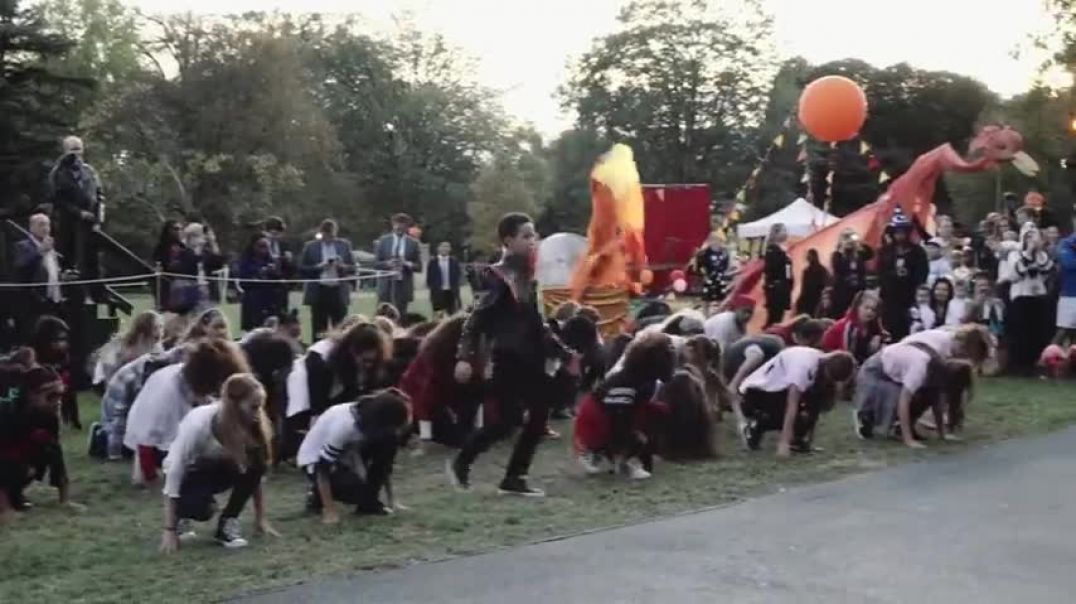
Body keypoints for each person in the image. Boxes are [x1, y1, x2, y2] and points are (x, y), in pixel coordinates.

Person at [447, 213, 578, 497]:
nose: (534, 241)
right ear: (509, 240)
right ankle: (464, 461)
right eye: (527, 236)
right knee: (505, 423)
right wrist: (465, 356)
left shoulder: (528, 279)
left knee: (537, 415)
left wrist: (564, 351)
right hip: (507, 359)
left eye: (535, 235)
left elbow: (537, 324)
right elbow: (476, 319)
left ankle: (514, 477)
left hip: (530, 358)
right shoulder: (498, 277)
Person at [159, 374, 279, 552]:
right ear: (235, 404)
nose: (257, 414)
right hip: (190, 473)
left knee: (257, 463)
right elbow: (174, 473)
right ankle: (182, 516)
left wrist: (260, 517)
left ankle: (227, 524)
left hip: (220, 470)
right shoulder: (199, 424)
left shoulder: (252, 424)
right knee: (203, 510)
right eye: (253, 407)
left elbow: (256, 474)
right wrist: (169, 530)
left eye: (260, 407)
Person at [124, 339, 250, 484]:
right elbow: (145, 439)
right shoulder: (167, 394)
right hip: (161, 448)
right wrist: (150, 476)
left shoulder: (186, 377)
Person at [573, 332, 678, 479]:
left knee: (661, 411)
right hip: (598, 417)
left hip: (616, 410)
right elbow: (617, 417)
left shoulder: (643, 377)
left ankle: (603, 451)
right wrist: (632, 443)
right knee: (635, 430)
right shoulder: (629, 381)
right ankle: (602, 453)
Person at [298, 388, 410, 522]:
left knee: (388, 444)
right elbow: (322, 469)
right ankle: (317, 496)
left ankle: (368, 503)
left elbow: (384, 464)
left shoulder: (372, 424)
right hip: (315, 460)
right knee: (358, 492)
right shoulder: (344, 426)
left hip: (348, 455)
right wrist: (330, 511)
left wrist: (392, 500)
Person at [283, 321, 391, 458]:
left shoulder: (369, 362)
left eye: (371, 361)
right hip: (306, 383)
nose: (368, 365)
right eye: (364, 361)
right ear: (353, 351)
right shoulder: (321, 359)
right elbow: (317, 403)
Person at [0, 363, 83, 522]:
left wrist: (65, 501)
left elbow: (56, 455)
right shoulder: (7, 414)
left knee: (42, 453)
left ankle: (14, 497)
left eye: (60, 396)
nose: (57, 402)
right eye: (51, 396)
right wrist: (5, 510)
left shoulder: (49, 417)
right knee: (9, 461)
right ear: (31, 395)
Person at [853, 340, 972, 449]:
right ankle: (865, 416)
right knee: (894, 399)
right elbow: (903, 402)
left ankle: (900, 428)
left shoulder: (938, 370)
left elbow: (936, 402)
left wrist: (942, 435)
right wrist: (908, 440)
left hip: (896, 371)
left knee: (926, 396)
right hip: (876, 370)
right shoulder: (920, 368)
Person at [738, 346, 855, 456]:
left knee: (814, 403)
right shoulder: (802, 367)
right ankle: (757, 426)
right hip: (758, 392)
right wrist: (784, 443)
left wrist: (809, 440)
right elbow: (792, 405)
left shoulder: (820, 362)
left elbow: (815, 408)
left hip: (779, 389)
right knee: (791, 413)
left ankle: (798, 440)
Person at [47, 136, 102, 285]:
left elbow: (99, 195)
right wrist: (78, 212)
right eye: (73, 149)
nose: (76, 153)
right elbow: (57, 199)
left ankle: (94, 284)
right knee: (68, 254)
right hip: (66, 222)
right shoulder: (58, 172)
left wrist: (98, 219)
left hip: (89, 223)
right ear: (65, 151)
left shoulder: (89, 171)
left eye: (79, 149)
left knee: (91, 256)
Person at [1007, 223, 1055, 375]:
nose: (1031, 239)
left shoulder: (1042, 255)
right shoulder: (1014, 254)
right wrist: (1028, 251)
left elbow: (1047, 269)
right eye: (1027, 236)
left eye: (1033, 235)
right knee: (1021, 334)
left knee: (1039, 333)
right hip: (1021, 298)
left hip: (1038, 297)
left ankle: (1037, 365)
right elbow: (1016, 273)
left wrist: (1038, 250)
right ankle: (1020, 366)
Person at [300, 220, 356, 341]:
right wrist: (319, 267)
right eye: (325, 234)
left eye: (331, 235)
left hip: (338, 290)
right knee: (318, 328)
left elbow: (353, 268)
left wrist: (342, 266)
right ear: (321, 233)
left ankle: (339, 352)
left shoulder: (344, 245)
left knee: (340, 325)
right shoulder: (311, 246)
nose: (328, 237)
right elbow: (302, 269)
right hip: (319, 290)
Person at [878, 208, 928, 339]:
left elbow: (922, 273)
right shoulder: (885, 251)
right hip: (890, 298)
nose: (900, 235)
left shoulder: (918, 252)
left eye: (902, 232)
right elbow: (880, 272)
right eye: (897, 232)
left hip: (909, 297)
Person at [14, 214, 65, 332]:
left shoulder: (51, 248)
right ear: (31, 227)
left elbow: (51, 271)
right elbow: (21, 266)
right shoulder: (23, 246)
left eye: (48, 225)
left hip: (54, 300)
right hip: (34, 301)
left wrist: (62, 276)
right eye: (41, 225)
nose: (46, 228)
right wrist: (40, 251)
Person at [92, 310, 163, 389]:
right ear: (145, 329)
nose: (160, 332)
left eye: (160, 327)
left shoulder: (156, 345)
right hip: (110, 377)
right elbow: (107, 365)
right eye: (156, 328)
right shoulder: (122, 343)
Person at [169, 223, 224, 314]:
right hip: (188, 294)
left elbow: (218, 263)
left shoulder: (205, 253)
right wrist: (196, 249)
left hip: (205, 294)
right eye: (200, 236)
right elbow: (188, 266)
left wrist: (213, 242)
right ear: (191, 237)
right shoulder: (183, 253)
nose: (203, 239)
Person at [375, 214, 422, 315]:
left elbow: (419, 267)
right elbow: (376, 264)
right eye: (396, 224)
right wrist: (388, 263)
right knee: (382, 316)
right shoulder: (383, 241)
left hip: (403, 285)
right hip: (386, 285)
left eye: (402, 225)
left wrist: (406, 263)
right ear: (392, 225)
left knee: (401, 315)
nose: (399, 227)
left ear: (407, 227)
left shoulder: (413, 243)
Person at [820, 292, 887, 364]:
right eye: (866, 308)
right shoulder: (847, 327)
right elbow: (847, 353)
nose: (869, 312)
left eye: (873, 310)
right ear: (857, 307)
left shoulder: (874, 327)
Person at [238, 235, 285, 331]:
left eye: (266, 246)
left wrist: (275, 272)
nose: (264, 250)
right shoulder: (246, 260)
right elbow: (243, 281)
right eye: (261, 246)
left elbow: (280, 281)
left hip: (271, 300)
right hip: (253, 300)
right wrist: (260, 272)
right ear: (253, 246)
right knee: (254, 332)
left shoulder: (272, 260)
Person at [830, 229, 873, 317]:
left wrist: (859, 243)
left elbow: (870, 254)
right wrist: (843, 249)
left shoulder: (859, 254)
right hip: (842, 293)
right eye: (847, 239)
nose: (849, 242)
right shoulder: (837, 255)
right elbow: (839, 268)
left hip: (857, 291)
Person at [263, 216, 294, 316]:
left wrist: (289, 261)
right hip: (265, 286)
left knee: (282, 314)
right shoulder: (260, 244)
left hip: (282, 285)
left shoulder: (284, 245)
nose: (276, 236)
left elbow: (291, 268)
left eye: (279, 233)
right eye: (273, 233)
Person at [762, 223, 793, 327]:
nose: (786, 233)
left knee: (779, 315)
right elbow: (772, 268)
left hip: (784, 286)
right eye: (783, 231)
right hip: (776, 287)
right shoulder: (772, 249)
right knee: (774, 315)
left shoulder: (783, 249)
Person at [694, 233, 731, 313]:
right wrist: (704, 275)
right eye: (715, 240)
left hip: (720, 278)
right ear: (710, 241)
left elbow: (726, 265)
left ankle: (719, 314)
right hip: (708, 277)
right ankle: (705, 315)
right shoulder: (704, 253)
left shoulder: (724, 253)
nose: (718, 242)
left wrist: (724, 274)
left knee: (720, 298)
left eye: (720, 240)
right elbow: (699, 266)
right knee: (706, 298)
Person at [153, 220, 185, 310]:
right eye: (176, 229)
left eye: (180, 229)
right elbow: (156, 265)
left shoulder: (184, 248)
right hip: (165, 287)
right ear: (168, 231)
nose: (179, 232)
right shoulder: (161, 248)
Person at [1054, 220, 1076, 348]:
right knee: (1063, 330)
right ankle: (1047, 360)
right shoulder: (1065, 243)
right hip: (1070, 294)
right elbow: (1069, 263)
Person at [426, 241, 462, 317]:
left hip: (451, 292)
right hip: (438, 292)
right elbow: (429, 278)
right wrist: (434, 288)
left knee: (452, 315)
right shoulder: (433, 262)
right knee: (439, 315)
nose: (445, 249)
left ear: (450, 249)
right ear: (438, 249)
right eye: (443, 247)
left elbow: (458, 275)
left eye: (447, 247)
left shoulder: (454, 261)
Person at [795, 248, 829, 316]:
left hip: (813, 299)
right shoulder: (821, 270)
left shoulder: (810, 271)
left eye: (809, 256)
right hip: (812, 299)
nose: (808, 258)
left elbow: (804, 288)